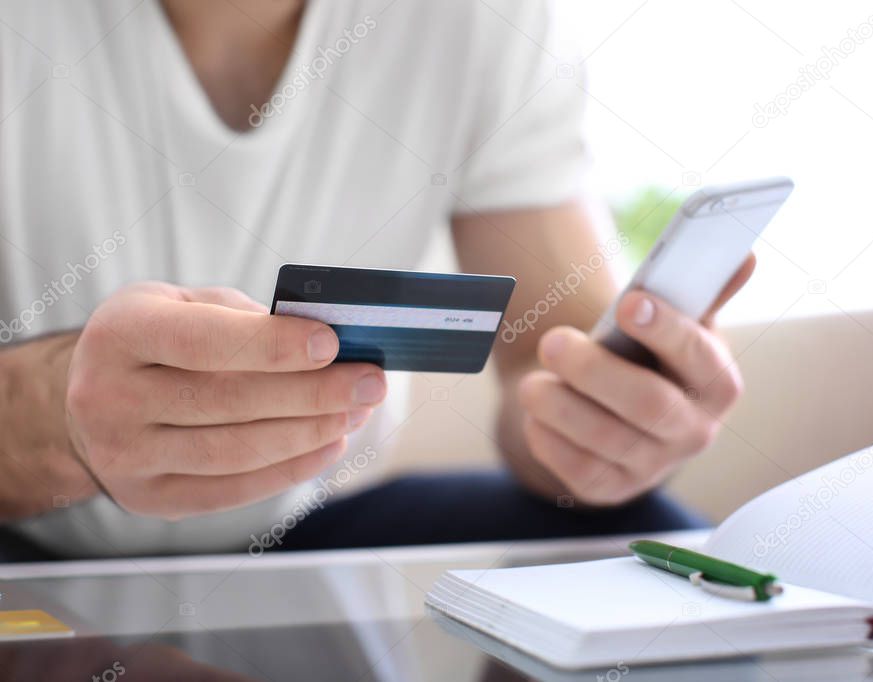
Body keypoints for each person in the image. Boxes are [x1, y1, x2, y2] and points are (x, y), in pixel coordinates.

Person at [0, 0, 752, 560]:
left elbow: (545, 362)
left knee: (653, 546)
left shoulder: (485, 20)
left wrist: (607, 432)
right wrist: (56, 423)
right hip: (20, 533)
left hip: (306, 531)